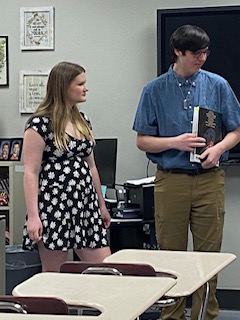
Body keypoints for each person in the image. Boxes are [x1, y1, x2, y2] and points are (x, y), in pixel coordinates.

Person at [133, 25, 240, 320]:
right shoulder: (154, 90)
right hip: (171, 180)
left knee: (208, 257)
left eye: (206, 52)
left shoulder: (218, 85)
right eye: (196, 53)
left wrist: (218, 149)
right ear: (178, 52)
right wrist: (174, 142)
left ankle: (206, 315)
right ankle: (173, 316)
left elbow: (236, 130)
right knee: (171, 256)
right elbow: (142, 139)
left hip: (210, 180)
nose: (202, 58)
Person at [22, 61, 111, 272]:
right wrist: (34, 216)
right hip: (54, 207)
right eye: (80, 84)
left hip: (85, 205)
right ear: (63, 87)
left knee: (105, 269)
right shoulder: (40, 125)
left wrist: (101, 205)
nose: (85, 88)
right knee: (55, 274)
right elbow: (30, 172)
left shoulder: (83, 120)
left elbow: (92, 168)